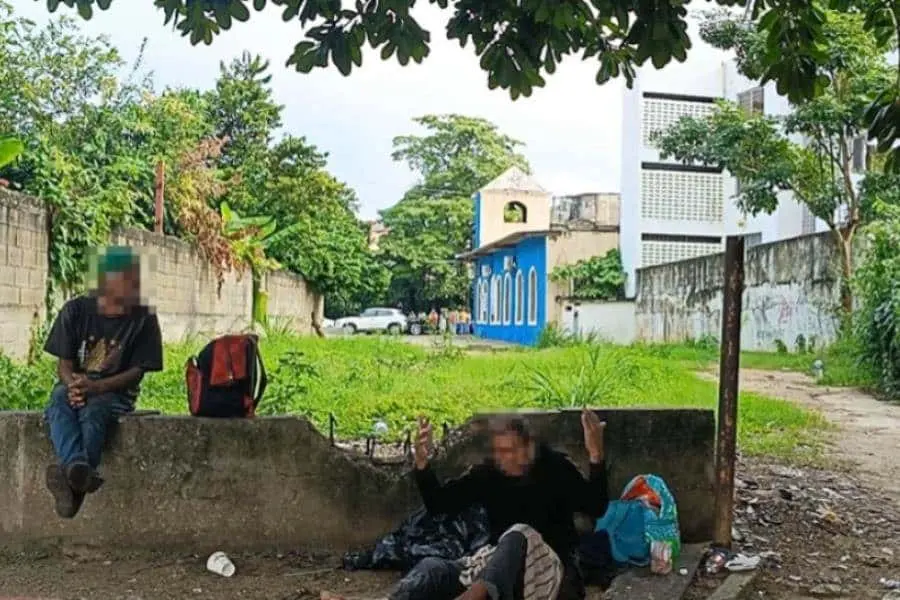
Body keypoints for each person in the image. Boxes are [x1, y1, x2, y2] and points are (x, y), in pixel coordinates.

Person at [392, 410, 608, 600]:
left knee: (518, 533)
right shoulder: (488, 473)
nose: (507, 458)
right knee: (432, 568)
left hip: (549, 568)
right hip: (500, 569)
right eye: (501, 451)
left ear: (528, 447)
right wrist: (422, 464)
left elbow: (596, 507)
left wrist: (596, 455)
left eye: (512, 449)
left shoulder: (556, 467)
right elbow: (439, 504)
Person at [43, 246, 164, 519]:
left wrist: (97, 387)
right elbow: (64, 365)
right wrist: (73, 386)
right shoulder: (75, 310)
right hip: (76, 385)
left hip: (117, 391)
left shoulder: (143, 317)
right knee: (59, 401)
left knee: (95, 410)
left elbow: (137, 372)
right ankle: (79, 470)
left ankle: (70, 474)